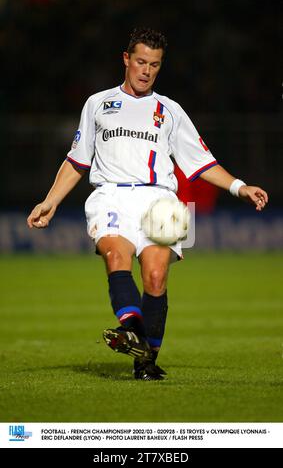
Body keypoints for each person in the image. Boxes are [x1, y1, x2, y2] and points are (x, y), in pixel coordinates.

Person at [27, 28, 268, 381]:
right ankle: (137, 336)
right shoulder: (98, 103)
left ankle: (144, 360)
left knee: (156, 277)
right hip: (110, 193)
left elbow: (201, 161)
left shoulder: (170, 111)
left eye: (154, 65)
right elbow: (78, 160)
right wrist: (50, 201)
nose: (146, 70)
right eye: (140, 61)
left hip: (160, 199)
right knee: (115, 256)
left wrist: (239, 187)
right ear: (126, 59)